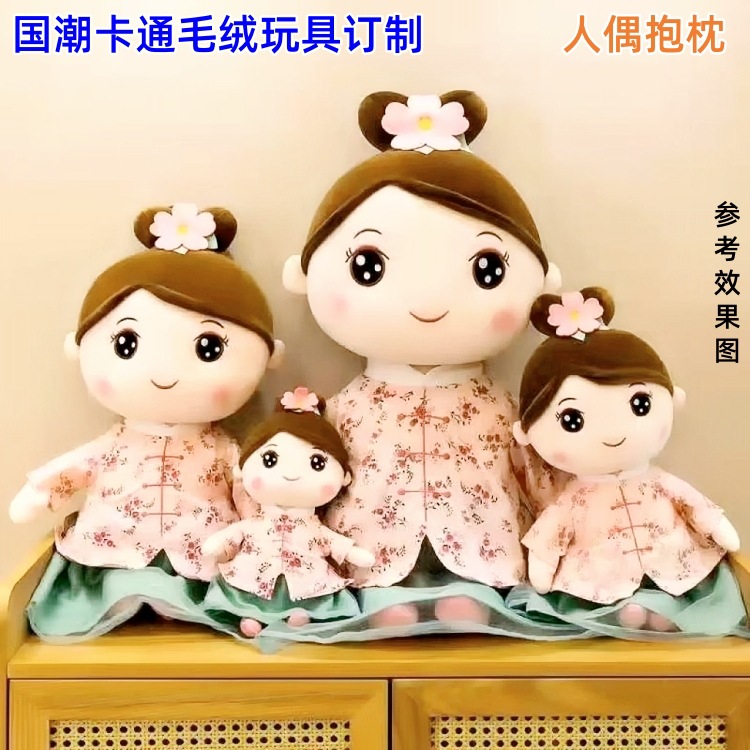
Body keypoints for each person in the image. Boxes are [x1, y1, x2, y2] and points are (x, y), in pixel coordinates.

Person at [278, 91, 578, 642]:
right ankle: (388, 597)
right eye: (368, 267)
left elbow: (537, 475)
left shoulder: (500, 407)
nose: (428, 301)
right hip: (367, 557)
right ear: (306, 275)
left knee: (478, 582)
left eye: (488, 270)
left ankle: (471, 592)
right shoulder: (342, 409)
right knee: (375, 576)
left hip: (485, 552)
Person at [9, 203, 283, 640]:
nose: (164, 374)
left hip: (200, 555)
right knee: (117, 581)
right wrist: (41, 492)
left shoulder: (225, 449)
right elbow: (77, 467)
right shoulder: (114, 444)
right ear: (79, 348)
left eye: (209, 348)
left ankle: (187, 602)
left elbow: (249, 491)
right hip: (114, 548)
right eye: (126, 344)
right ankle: (133, 595)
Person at [513, 287, 747, 638]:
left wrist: (718, 528)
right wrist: (543, 568)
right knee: (608, 599)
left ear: (672, 398)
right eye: (573, 420)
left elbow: (695, 506)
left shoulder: (660, 482)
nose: (612, 433)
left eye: (640, 404)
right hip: (599, 577)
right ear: (527, 432)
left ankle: (658, 611)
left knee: (680, 583)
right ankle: (636, 614)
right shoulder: (572, 500)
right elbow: (551, 534)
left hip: (674, 564)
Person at [202, 387, 373, 640]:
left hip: (306, 579)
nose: (291, 474)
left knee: (310, 592)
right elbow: (235, 534)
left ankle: (300, 614)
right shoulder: (254, 523)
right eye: (270, 460)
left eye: (317, 463)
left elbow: (331, 541)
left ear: (344, 477)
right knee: (248, 587)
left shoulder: (314, 527)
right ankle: (251, 616)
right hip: (253, 575)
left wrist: (353, 553)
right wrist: (217, 542)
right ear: (242, 469)